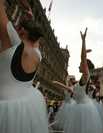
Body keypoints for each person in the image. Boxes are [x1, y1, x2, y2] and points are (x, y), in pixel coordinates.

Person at [0, 1, 48, 133]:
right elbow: (35, 38)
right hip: (24, 107)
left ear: (22, 31)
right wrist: (31, 17)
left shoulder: (12, 41)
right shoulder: (38, 54)